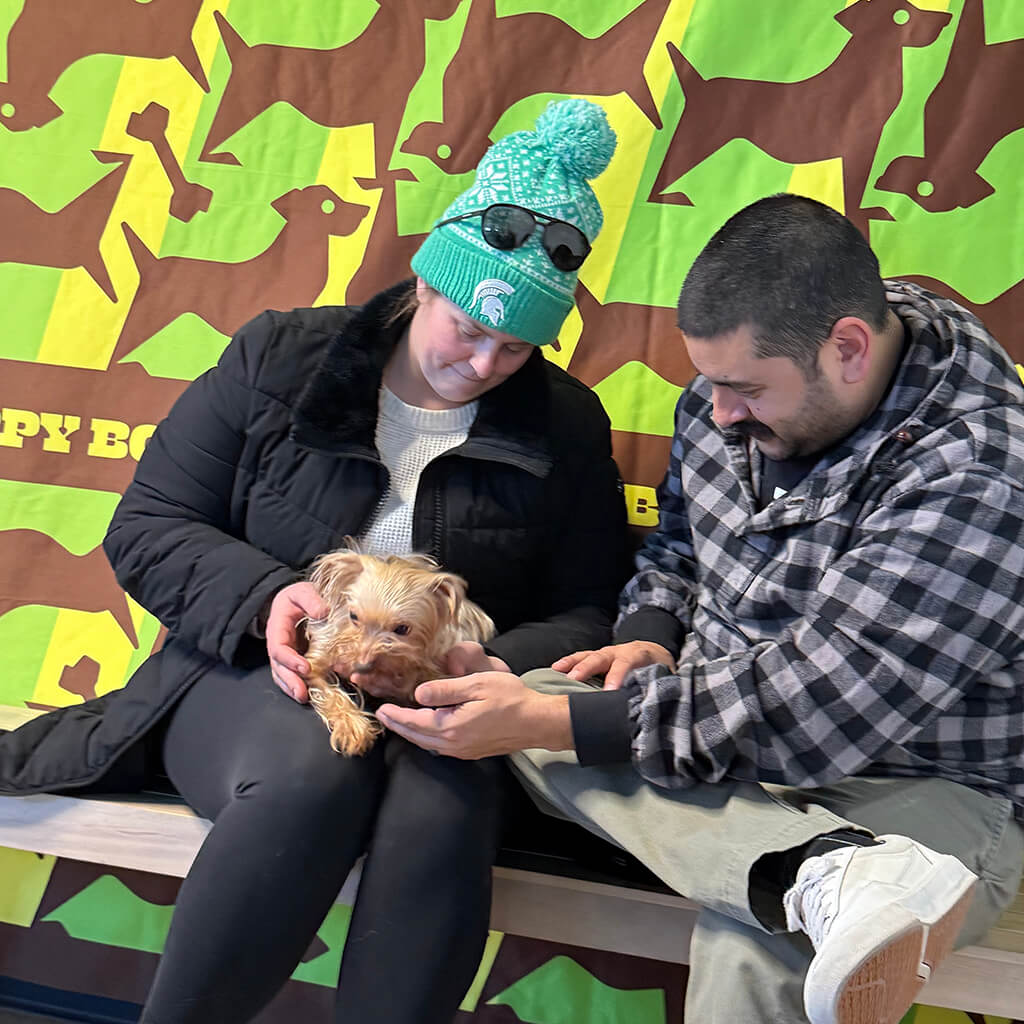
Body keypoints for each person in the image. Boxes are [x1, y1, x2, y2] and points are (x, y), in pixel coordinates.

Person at [0, 99, 629, 1024]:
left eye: (517, 343)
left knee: (441, 815)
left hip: (441, 706)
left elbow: (590, 606)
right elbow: (149, 523)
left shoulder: (566, 423)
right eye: (468, 327)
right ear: (427, 281)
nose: (487, 361)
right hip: (251, 675)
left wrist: (492, 662)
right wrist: (266, 597)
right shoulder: (279, 358)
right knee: (313, 776)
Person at [377, 194, 1024, 1024]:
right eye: (708, 381)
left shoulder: (980, 476)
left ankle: (819, 878)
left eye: (742, 388)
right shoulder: (733, 388)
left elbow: (815, 711)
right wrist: (650, 635)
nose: (715, 413)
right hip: (727, 741)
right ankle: (816, 870)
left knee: (763, 941)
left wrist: (554, 723)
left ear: (849, 350)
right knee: (513, 701)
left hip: (923, 777)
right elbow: (678, 546)